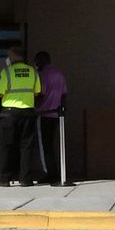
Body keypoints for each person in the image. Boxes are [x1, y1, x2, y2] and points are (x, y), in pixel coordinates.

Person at [0, 47, 45, 187]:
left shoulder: (7, 72)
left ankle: (4, 179)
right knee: (26, 146)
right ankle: (25, 179)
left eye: (8, 55)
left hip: (10, 112)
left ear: (12, 56)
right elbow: (37, 92)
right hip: (28, 112)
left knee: (6, 146)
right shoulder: (33, 72)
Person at [35, 50, 69, 185]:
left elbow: (40, 93)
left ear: (39, 61)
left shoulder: (42, 74)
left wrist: (35, 106)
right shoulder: (59, 73)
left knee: (44, 146)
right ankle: (55, 171)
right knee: (51, 144)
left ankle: (49, 172)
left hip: (43, 113)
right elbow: (64, 94)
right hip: (56, 114)